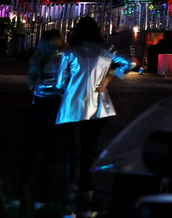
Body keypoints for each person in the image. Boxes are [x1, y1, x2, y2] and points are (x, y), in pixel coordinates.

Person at [55, 16, 134, 208]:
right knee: (90, 148)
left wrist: (69, 90)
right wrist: (109, 78)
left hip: (73, 107)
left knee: (71, 151)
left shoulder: (70, 53)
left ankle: (70, 190)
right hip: (99, 107)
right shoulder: (106, 51)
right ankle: (88, 189)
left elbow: (60, 83)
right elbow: (129, 63)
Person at [15, 29, 65, 203]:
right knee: (49, 150)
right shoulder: (62, 59)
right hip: (55, 106)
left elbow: (33, 86)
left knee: (30, 148)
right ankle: (43, 188)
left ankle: (18, 186)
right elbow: (63, 85)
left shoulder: (38, 58)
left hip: (38, 105)